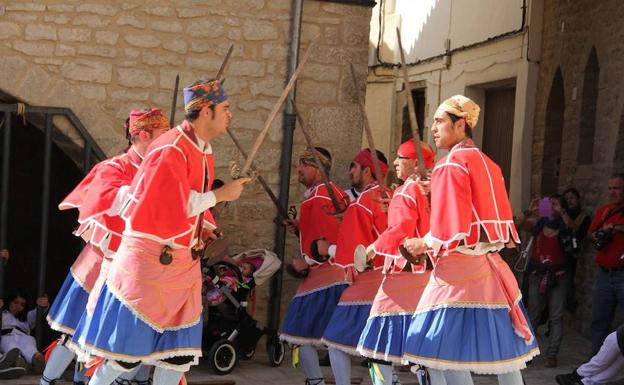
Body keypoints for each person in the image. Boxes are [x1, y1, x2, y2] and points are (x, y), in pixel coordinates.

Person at [71, 78, 250, 385]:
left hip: (181, 266)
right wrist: (223, 194)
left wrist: (203, 230)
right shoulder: (171, 148)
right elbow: (173, 205)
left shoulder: (204, 150)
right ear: (205, 111)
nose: (230, 114)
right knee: (123, 359)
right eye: (225, 108)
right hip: (149, 264)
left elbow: (190, 207)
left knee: (176, 358)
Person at [401, 95, 539, 385]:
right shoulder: (490, 164)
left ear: (460, 124)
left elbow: (450, 229)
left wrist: (420, 243)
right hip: (488, 268)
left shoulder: (451, 165)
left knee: (438, 351)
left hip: (456, 271)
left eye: (439, 121)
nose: (434, 129)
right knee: (503, 353)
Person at [40, 109, 170, 385]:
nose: (169, 141)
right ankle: (46, 382)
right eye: (163, 135)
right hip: (100, 264)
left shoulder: (163, 172)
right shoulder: (114, 167)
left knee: (129, 342)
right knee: (71, 334)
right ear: (144, 135)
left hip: (139, 270)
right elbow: (108, 202)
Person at [356, 140, 436, 385]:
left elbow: (400, 229)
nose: (394, 163)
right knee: (422, 347)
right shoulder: (432, 189)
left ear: (415, 164)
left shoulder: (406, 190)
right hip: (429, 273)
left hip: (403, 276)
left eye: (400, 157)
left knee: (376, 349)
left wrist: (372, 249)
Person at [317, 149, 390, 385]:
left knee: (335, 342)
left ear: (368, 171)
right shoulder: (394, 196)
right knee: (377, 348)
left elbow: (353, 253)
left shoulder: (365, 202)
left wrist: (325, 248)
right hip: (393, 281)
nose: (350, 172)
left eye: (354, 167)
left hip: (369, 281)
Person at [280, 147, 348, 385]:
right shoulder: (331, 193)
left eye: (304, 164)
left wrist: (304, 262)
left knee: (300, 332)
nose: (298, 169)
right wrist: (300, 227)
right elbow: (323, 230)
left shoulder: (320, 197)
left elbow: (328, 240)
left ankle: (317, 381)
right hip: (331, 275)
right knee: (327, 338)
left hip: (326, 275)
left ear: (318, 170)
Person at [521, 196, 576, 367]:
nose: (551, 207)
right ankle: (527, 352)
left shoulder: (565, 225)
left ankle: (552, 354)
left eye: (554, 204)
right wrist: (530, 209)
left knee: (556, 316)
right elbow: (519, 224)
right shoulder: (538, 223)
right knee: (533, 314)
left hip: (559, 276)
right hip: (537, 273)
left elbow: (573, 228)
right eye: (548, 204)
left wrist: (562, 211)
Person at [588, 173, 624, 356]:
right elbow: (591, 234)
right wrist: (601, 233)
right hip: (604, 273)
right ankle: (596, 366)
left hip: (622, 274)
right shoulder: (604, 211)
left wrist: (616, 228)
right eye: (610, 188)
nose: (612, 192)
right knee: (599, 321)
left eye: (616, 188)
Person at [555, 323, 624, 385]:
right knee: (599, 363)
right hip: (617, 340)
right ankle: (575, 376)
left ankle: (585, 383)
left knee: (611, 372)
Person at [1, 290, 48, 374]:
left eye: (22, 305)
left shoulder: (26, 317)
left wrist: (43, 305)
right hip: (6, 335)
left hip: (23, 336)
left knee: (29, 345)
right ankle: (17, 360)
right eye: (15, 302)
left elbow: (37, 313)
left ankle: (37, 360)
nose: (18, 306)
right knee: (11, 345)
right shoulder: (2, 313)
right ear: (9, 302)